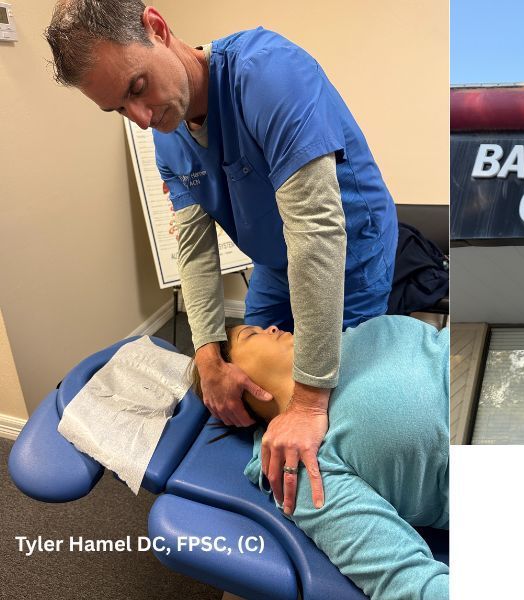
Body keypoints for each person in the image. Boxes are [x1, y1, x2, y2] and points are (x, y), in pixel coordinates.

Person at [45, 1, 399, 509]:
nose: (141, 120)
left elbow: (316, 233)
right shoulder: (168, 136)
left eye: (137, 88)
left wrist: (308, 401)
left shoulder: (270, 75)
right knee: (251, 385)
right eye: (119, 109)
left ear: (156, 28)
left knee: (336, 410)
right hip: (275, 260)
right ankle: (270, 488)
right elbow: (194, 251)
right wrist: (208, 356)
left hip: (346, 253)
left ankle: (348, 509)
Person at [216, 315, 449, 600]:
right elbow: (407, 580)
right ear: (235, 394)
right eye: (252, 335)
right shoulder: (301, 464)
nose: (274, 327)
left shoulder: (350, 338)